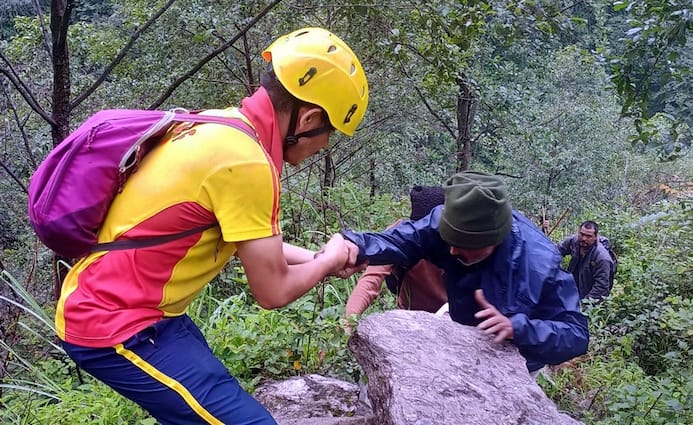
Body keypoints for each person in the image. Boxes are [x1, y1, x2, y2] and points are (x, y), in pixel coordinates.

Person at [55, 27, 367, 425]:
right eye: (329, 134)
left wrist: (320, 256)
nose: (324, 145)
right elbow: (272, 292)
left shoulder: (220, 126)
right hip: (116, 324)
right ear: (308, 118)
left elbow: (250, 241)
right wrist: (327, 263)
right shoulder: (247, 163)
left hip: (150, 315)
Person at [341, 171, 589, 373]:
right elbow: (401, 240)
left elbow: (576, 336)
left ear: (492, 241)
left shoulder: (538, 264)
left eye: (463, 246)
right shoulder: (448, 224)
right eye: (449, 241)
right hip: (460, 332)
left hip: (515, 363)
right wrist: (354, 246)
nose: (451, 252)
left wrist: (518, 328)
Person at [344, 186, 447, 320]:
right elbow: (370, 281)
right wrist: (348, 323)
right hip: (409, 319)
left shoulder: (461, 238)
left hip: (450, 316)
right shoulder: (400, 238)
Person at [556, 221, 614, 300]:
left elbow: (601, 287)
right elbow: (556, 251)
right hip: (573, 287)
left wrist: (584, 304)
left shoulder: (601, 258)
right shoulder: (574, 241)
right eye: (582, 234)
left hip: (589, 295)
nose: (584, 238)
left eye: (588, 236)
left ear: (595, 237)